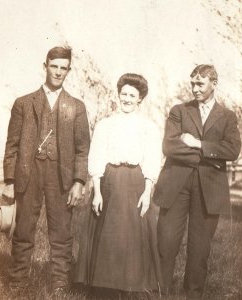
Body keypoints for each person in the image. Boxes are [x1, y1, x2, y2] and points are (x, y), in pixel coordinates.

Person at [2, 46, 90, 297]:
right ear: (45, 66)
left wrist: (78, 181)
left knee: (61, 232)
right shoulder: (23, 103)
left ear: (69, 70)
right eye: (54, 66)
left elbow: (82, 149)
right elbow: (12, 145)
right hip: (28, 174)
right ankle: (18, 282)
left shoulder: (76, 107)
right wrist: (9, 180)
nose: (58, 72)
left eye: (64, 68)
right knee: (23, 230)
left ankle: (60, 284)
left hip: (61, 177)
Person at [153, 64, 241, 299]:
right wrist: (211, 156)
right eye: (192, 83)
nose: (195, 88)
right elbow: (169, 146)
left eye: (200, 83)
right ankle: (159, 294)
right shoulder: (179, 111)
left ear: (214, 83)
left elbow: (233, 150)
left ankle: (193, 295)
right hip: (175, 186)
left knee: (199, 250)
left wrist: (197, 144)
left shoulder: (228, 117)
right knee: (165, 244)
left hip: (209, 190)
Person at [75, 73, 163, 295]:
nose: (127, 99)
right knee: (108, 232)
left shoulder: (149, 127)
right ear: (118, 95)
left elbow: (153, 160)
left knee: (133, 233)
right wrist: (97, 191)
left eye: (132, 95)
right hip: (110, 181)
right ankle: (104, 286)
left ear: (140, 98)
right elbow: (96, 157)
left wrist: (147, 191)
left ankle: (131, 285)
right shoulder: (106, 125)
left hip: (135, 182)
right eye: (123, 94)